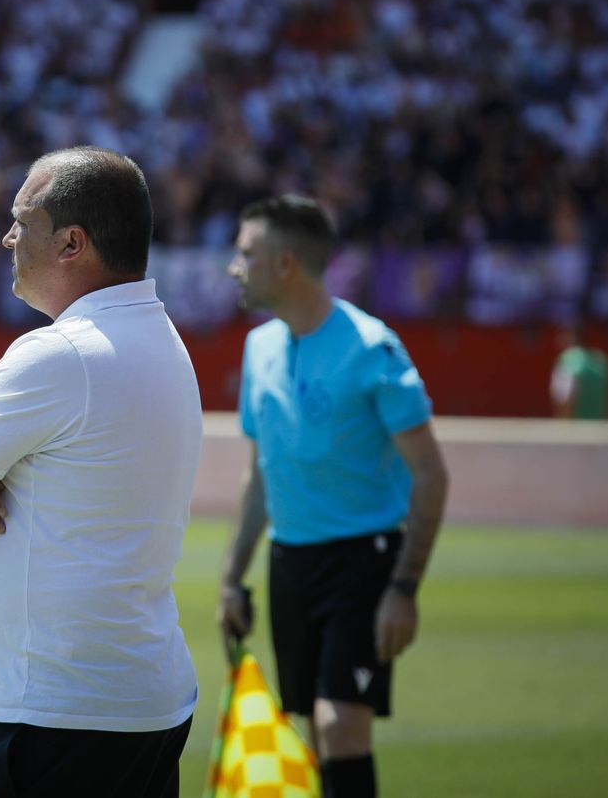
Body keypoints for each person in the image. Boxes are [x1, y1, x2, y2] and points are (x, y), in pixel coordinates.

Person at [0, 147, 205, 798]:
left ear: (71, 241)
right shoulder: (163, 339)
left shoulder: (59, 353)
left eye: (22, 220)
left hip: (59, 710)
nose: (8, 237)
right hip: (138, 700)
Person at [217, 194, 449, 798]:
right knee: (314, 736)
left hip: (364, 562)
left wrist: (403, 589)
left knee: (339, 723)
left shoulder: (372, 348)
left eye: (245, 254)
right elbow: (260, 473)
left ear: (285, 264)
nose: (232, 267)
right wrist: (231, 577)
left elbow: (430, 473)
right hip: (290, 563)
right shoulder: (258, 348)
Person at [549, 325, 608, 419]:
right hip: (602, 428)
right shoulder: (601, 360)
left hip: (576, 430)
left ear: (569, 336)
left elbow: (564, 400)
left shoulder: (567, 360)